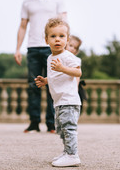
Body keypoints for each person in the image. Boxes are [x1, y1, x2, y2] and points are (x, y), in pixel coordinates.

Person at [14, 0, 67, 133]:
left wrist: (65, 46)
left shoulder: (57, 0)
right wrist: (17, 49)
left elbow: (64, 24)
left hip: (52, 48)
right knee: (33, 86)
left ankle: (51, 124)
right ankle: (34, 123)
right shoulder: (27, 2)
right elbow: (23, 26)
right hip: (33, 48)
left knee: (53, 85)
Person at [35, 18, 82, 167]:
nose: (57, 40)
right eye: (53, 36)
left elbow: (78, 72)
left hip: (69, 101)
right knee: (61, 130)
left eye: (62, 36)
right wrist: (46, 81)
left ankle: (72, 155)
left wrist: (63, 68)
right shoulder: (50, 58)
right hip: (59, 102)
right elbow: (57, 76)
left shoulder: (67, 56)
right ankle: (67, 151)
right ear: (46, 39)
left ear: (67, 39)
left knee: (69, 128)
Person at [65, 35, 87, 110]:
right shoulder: (60, 57)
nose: (72, 49)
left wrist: (76, 87)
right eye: (70, 46)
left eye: (75, 48)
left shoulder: (77, 60)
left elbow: (77, 75)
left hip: (72, 85)